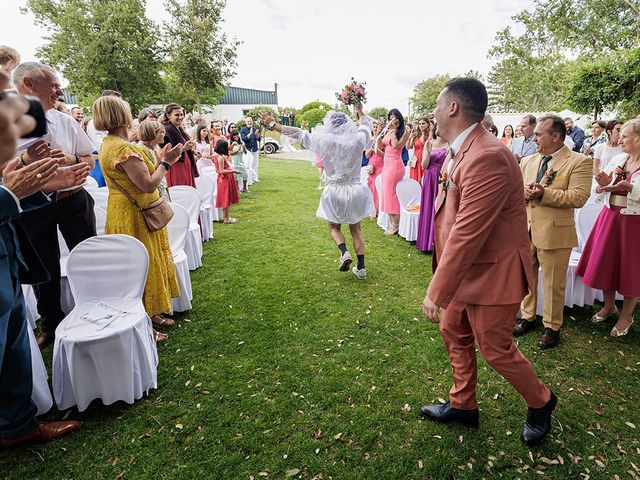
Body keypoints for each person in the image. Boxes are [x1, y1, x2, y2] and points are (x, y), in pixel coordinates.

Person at [420, 77, 555, 447]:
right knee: (453, 330)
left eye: (437, 104)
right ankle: (463, 405)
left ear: (453, 108)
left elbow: (469, 232)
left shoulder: (488, 155)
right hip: (465, 271)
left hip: (493, 270)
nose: (432, 111)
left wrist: (436, 290)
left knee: (496, 349)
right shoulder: (462, 148)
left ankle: (541, 401)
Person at [0, 70, 83, 448]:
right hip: (23, 218)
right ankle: (53, 321)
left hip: (11, 244)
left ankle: (20, 425)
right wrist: (15, 188)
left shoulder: (62, 120)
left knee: (14, 335)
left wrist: (44, 175)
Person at [13, 62, 97, 348]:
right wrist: (26, 162)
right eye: (54, 84)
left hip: (73, 200)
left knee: (88, 257)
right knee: (44, 267)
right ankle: (51, 325)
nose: (60, 90)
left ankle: (96, 310)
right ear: (29, 84)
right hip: (33, 207)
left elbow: (89, 158)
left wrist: (72, 160)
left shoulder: (65, 122)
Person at [93, 95, 182, 341]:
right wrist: (166, 162)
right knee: (141, 265)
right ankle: (144, 322)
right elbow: (147, 184)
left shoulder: (110, 143)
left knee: (145, 262)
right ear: (122, 116)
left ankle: (151, 314)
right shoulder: (122, 149)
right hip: (135, 215)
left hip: (125, 210)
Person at [262, 105, 376, 279]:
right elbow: (366, 124)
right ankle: (361, 268)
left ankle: (344, 251)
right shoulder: (359, 140)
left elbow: (298, 133)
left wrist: (273, 125)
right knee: (356, 230)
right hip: (355, 190)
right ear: (347, 125)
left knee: (334, 227)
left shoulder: (323, 142)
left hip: (334, 191)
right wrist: (359, 109)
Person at [515, 115, 592, 348]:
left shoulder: (578, 161)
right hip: (526, 229)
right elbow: (516, 190)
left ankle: (552, 326)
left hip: (555, 232)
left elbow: (579, 197)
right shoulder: (528, 161)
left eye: (539, 134)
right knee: (526, 275)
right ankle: (526, 316)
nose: (534, 138)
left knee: (553, 283)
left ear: (556, 136)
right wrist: (524, 193)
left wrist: (543, 194)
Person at [577, 118, 640, 337]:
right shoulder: (620, 158)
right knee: (606, 261)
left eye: (625, 135)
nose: (619, 139)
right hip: (610, 217)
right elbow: (604, 187)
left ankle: (627, 314)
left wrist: (630, 187)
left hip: (634, 223)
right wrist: (603, 184)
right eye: (620, 134)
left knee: (631, 268)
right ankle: (609, 305)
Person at [415, 127, 447, 253]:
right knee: (428, 207)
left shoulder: (449, 145)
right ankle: (426, 242)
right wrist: (427, 152)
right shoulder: (429, 143)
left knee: (439, 208)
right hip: (429, 177)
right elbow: (424, 165)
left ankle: (437, 242)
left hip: (442, 177)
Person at [379, 109, 410, 235]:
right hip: (386, 164)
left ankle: (395, 224)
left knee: (392, 194)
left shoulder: (404, 131)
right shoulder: (389, 131)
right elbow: (382, 146)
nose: (394, 120)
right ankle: (392, 222)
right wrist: (378, 135)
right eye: (391, 117)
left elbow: (397, 145)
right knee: (387, 193)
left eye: (396, 117)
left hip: (395, 165)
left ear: (400, 118)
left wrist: (391, 132)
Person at [160, 103, 198, 188]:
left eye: (181, 114)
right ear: (168, 115)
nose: (180, 117)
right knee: (181, 189)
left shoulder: (178, 128)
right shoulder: (168, 129)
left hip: (184, 162)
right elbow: (166, 151)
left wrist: (192, 150)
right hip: (177, 165)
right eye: (177, 115)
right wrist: (184, 148)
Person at [138, 119, 171, 200]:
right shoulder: (141, 149)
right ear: (152, 133)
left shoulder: (151, 149)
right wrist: (165, 161)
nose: (164, 134)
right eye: (161, 132)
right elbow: (151, 173)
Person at [213, 139, 240, 223]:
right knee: (225, 199)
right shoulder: (220, 157)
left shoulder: (216, 155)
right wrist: (234, 171)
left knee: (226, 198)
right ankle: (226, 219)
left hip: (222, 179)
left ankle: (227, 217)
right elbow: (221, 171)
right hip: (224, 179)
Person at [365, 121, 385, 216]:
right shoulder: (370, 140)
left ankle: (379, 210)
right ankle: (373, 209)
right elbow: (367, 155)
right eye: (374, 127)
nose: (375, 128)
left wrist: (378, 136)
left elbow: (383, 152)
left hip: (381, 165)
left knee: (378, 188)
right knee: (372, 187)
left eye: (377, 127)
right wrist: (371, 149)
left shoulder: (383, 139)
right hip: (372, 166)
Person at [407, 116, 431, 183]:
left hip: (425, 159)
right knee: (415, 183)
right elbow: (407, 147)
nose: (421, 125)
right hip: (415, 161)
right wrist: (409, 138)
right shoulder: (416, 135)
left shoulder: (430, 135)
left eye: (423, 123)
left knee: (424, 180)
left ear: (428, 124)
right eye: (420, 124)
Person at [240, 117, 261, 183]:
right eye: (248, 121)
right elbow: (244, 138)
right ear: (245, 122)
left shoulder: (255, 129)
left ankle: (255, 177)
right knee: (248, 164)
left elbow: (259, 139)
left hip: (254, 149)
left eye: (250, 121)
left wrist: (257, 134)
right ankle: (249, 178)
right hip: (247, 150)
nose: (249, 122)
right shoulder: (243, 130)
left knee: (255, 164)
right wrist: (250, 133)